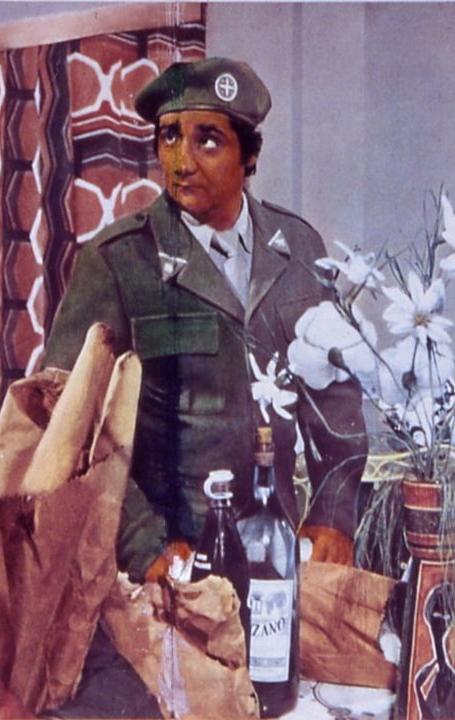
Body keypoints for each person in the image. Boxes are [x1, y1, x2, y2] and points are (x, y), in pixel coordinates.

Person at [44, 57, 367, 581]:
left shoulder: (299, 247)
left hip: (280, 556)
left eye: (208, 140)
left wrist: (333, 513)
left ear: (250, 155)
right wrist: (144, 546)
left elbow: (337, 399)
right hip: (171, 567)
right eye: (169, 137)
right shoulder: (118, 261)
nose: (181, 162)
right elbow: (66, 416)